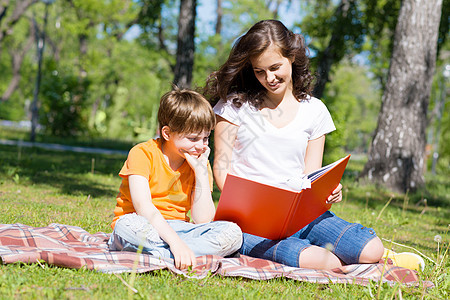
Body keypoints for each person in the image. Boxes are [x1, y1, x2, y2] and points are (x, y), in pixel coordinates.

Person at [203, 19, 423, 271]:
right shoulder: (234, 106)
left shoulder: (315, 111)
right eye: (259, 71)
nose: (269, 78)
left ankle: (369, 256)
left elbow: (310, 177)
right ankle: (326, 258)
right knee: (324, 261)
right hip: (250, 218)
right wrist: (254, 207)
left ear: (292, 58)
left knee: (372, 249)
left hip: (302, 216)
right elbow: (221, 170)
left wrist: (328, 192)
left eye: (275, 68)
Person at [108, 87, 243, 270]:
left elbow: (203, 220)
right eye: (193, 138)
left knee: (233, 232)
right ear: (167, 133)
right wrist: (176, 244)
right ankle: (184, 253)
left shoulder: (200, 162)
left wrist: (201, 173)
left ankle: (163, 256)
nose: (201, 146)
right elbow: (144, 208)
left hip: (181, 230)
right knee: (126, 226)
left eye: (205, 138)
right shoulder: (142, 153)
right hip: (144, 226)